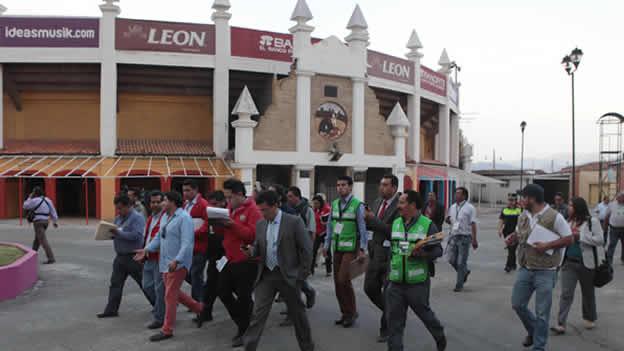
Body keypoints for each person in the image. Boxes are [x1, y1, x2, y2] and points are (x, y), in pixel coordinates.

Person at [241, 190, 315, 351]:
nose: (262, 213)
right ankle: (249, 347)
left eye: (265, 210)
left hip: (288, 276)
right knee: (257, 315)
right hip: (266, 275)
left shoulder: (293, 222)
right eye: (260, 210)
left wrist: (301, 276)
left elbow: (307, 250)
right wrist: (251, 251)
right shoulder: (261, 224)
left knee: (298, 317)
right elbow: (258, 247)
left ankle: (307, 347)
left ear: (276, 205)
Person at [506, 184, 573, 351]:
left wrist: (548, 245)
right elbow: (519, 234)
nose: (521, 200)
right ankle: (534, 330)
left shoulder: (554, 216)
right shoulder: (523, 216)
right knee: (517, 304)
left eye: (523, 197)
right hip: (525, 267)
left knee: (542, 312)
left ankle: (539, 346)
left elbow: (569, 238)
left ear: (532, 199)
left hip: (546, 271)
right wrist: (512, 238)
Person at [136, 191, 204, 342]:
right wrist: (146, 250)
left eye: (164, 201)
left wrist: (178, 260)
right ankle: (200, 309)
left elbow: (187, 243)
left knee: (170, 296)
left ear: (172, 202)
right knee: (174, 293)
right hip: (165, 262)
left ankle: (167, 329)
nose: (161, 204)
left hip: (178, 264)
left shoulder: (184, 218)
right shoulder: (165, 217)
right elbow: (159, 237)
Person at [385, 190, 447, 351]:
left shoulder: (427, 224)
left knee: (425, 315)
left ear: (412, 205)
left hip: (417, 284)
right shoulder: (396, 223)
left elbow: (438, 251)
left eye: (402, 203)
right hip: (396, 282)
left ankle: (439, 335)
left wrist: (424, 254)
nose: (398, 206)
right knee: (394, 322)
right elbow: (393, 250)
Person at [551, 197, 604, 335]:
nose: (568, 208)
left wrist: (581, 236)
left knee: (588, 293)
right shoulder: (567, 222)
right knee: (566, 294)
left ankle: (589, 317)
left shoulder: (592, 222)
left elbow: (600, 240)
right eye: (568, 205)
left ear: (578, 207)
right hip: (568, 262)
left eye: (571, 205)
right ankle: (560, 323)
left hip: (586, 263)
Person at [219, 178, 262, 347]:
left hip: (247, 260)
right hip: (229, 259)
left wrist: (232, 225)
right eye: (226, 198)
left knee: (244, 297)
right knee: (222, 292)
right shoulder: (229, 209)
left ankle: (245, 330)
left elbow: (252, 236)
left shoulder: (253, 211)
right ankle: (246, 322)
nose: (227, 201)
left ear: (239, 195)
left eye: (230, 197)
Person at [98, 194, 154, 319]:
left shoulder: (137, 218)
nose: (119, 211)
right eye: (117, 208)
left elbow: (137, 236)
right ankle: (111, 310)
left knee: (144, 284)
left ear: (129, 206)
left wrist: (119, 233)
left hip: (133, 256)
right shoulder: (118, 218)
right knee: (115, 284)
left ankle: (158, 306)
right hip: (120, 256)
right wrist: (110, 234)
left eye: (121, 208)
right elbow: (118, 232)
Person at [323, 175, 368, 328]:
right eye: (338, 185)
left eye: (343, 185)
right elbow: (329, 226)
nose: (340, 187)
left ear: (350, 187)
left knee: (343, 279)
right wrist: (326, 245)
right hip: (336, 248)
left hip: (351, 247)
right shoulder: (334, 204)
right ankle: (345, 313)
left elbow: (362, 229)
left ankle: (352, 312)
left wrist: (362, 249)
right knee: (337, 282)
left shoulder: (357, 205)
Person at [363, 174, 400, 342]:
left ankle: (386, 327)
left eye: (385, 185)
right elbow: (372, 225)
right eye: (381, 184)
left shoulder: (401, 205)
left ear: (394, 187)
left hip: (391, 255)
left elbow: (394, 231)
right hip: (375, 253)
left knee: (388, 293)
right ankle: (392, 313)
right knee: (369, 288)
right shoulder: (377, 202)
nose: (381, 188)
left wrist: (373, 219)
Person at [196, 190, 227, 324]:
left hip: (226, 256)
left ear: (223, 202)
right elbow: (205, 230)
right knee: (211, 285)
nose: (212, 207)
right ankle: (206, 312)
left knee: (227, 287)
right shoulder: (211, 216)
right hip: (214, 256)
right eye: (210, 204)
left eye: (215, 204)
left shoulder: (228, 215)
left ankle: (248, 310)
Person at [286, 186, 317, 309]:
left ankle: (297, 306)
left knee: (296, 278)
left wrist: (308, 250)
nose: (288, 199)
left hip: (302, 248)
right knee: (293, 277)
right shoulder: (288, 209)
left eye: (290, 196)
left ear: (297, 196)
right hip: (290, 247)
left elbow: (311, 231)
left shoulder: (306, 210)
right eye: (287, 196)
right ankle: (295, 305)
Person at [140, 191, 166, 330]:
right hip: (149, 257)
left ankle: (160, 317)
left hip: (160, 257)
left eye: (158, 202)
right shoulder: (151, 217)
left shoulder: (166, 218)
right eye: (152, 202)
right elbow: (147, 235)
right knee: (147, 286)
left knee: (159, 289)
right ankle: (163, 308)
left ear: (163, 202)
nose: (155, 205)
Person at [445, 187, 478, 292]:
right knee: (451, 259)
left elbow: (473, 223)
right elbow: (451, 220)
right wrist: (448, 220)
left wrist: (474, 239)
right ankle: (465, 272)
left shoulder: (470, 208)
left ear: (464, 196)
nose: (456, 195)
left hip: (465, 237)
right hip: (454, 236)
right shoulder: (453, 207)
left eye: (458, 193)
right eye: (455, 193)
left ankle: (459, 284)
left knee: (461, 262)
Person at [182, 179, 210, 302]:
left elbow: (207, 225)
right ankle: (203, 293)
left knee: (195, 274)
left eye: (188, 190)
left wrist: (192, 234)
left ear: (195, 190)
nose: (185, 193)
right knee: (187, 273)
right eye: (184, 190)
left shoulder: (203, 204)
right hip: (188, 246)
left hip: (200, 246)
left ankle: (197, 301)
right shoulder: (186, 205)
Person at [23, 186, 58, 264]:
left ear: (34, 193)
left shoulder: (34, 200)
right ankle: (31, 256)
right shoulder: (48, 200)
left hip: (38, 222)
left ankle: (51, 258)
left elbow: (25, 205)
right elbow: (53, 211)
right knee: (37, 240)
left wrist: (29, 197)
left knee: (42, 240)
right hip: (46, 221)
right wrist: (55, 221)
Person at [498, 193, 522, 272]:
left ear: (516, 201)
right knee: (510, 249)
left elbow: (523, 222)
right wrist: (500, 229)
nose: (510, 202)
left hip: (516, 233)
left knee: (512, 248)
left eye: (512, 200)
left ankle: (508, 266)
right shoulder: (504, 210)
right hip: (506, 232)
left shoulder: (519, 210)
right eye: (509, 200)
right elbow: (501, 220)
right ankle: (513, 264)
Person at [311, 194, 332, 276]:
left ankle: (329, 270)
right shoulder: (315, 210)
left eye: (316, 203)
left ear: (321, 202)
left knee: (327, 251)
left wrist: (323, 220)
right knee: (313, 251)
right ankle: (311, 269)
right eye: (314, 203)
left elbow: (327, 222)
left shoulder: (327, 209)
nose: (315, 205)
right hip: (317, 233)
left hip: (325, 233)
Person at [604, 192, 624, 265]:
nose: (618, 199)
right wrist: (605, 227)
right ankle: (609, 260)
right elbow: (607, 216)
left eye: (621, 197)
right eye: (618, 197)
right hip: (614, 229)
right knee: (612, 244)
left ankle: (623, 259)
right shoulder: (612, 204)